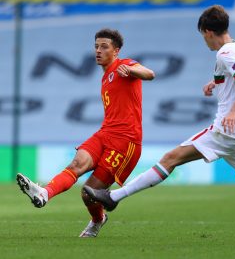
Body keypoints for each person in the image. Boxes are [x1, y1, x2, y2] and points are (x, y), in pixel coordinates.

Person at [84, 5, 235, 213]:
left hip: (227, 130)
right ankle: (113, 197)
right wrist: (215, 83)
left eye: (203, 35)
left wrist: (234, 111)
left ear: (208, 32)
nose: (205, 40)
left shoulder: (224, 53)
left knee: (171, 158)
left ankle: (114, 196)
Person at [16, 28, 155, 237]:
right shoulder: (105, 76)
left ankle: (98, 220)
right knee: (76, 164)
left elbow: (150, 74)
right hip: (105, 133)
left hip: (125, 142)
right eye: (96, 46)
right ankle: (44, 193)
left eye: (104, 47)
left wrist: (133, 71)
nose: (98, 51)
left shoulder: (125, 65)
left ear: (116, 51)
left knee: (88, 193)